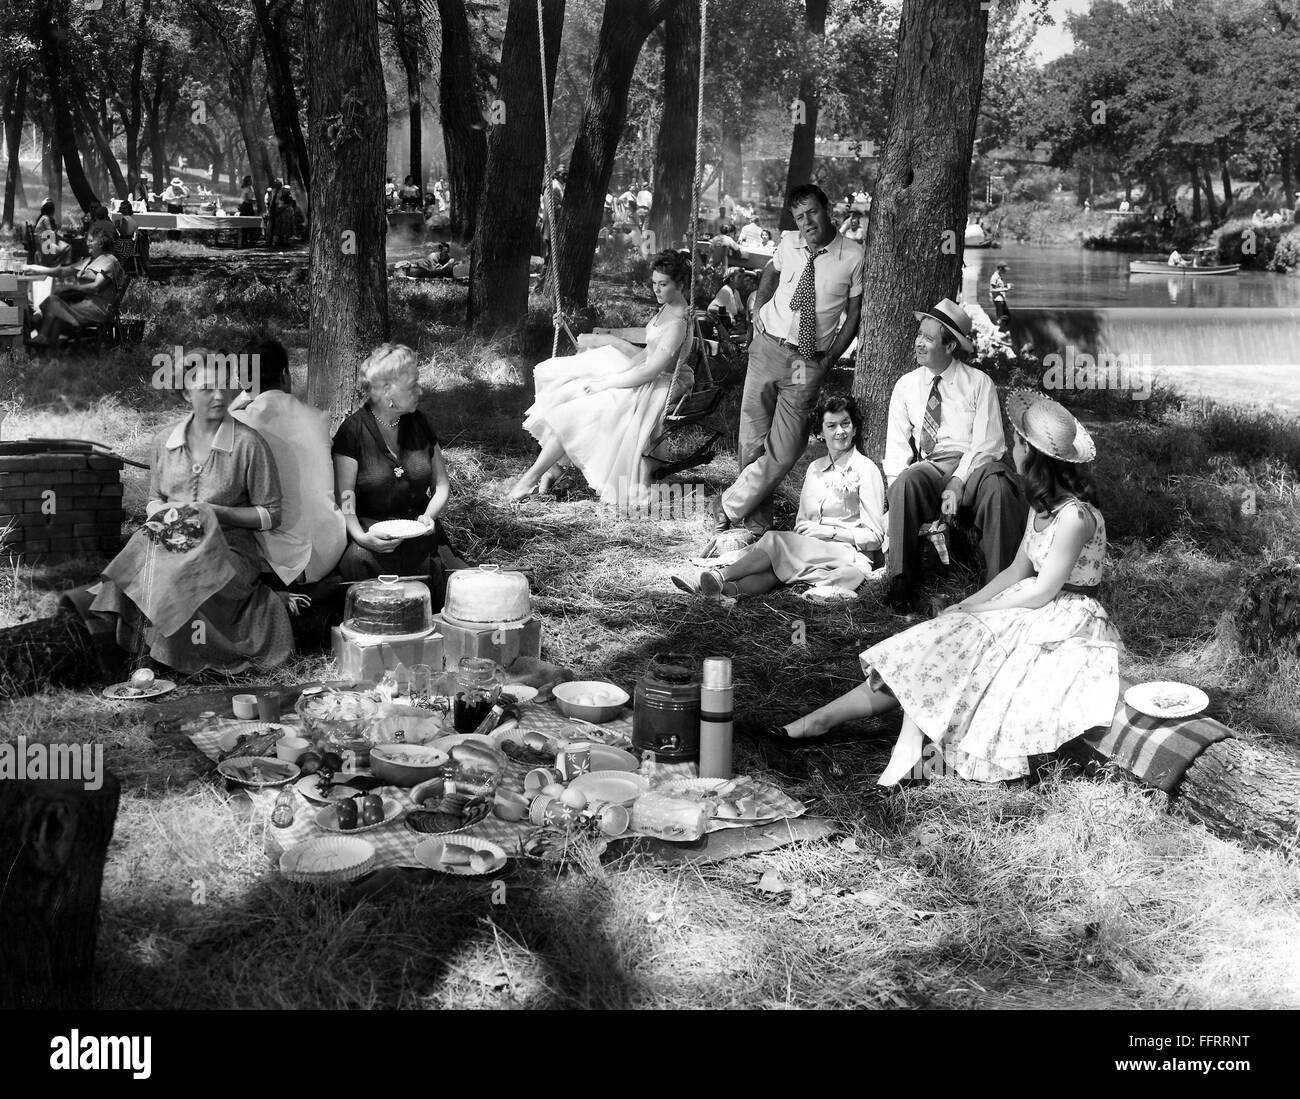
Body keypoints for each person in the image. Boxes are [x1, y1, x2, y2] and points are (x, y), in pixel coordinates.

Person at [766, 391, 1119, 789]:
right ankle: (822, 720)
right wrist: (967, 605)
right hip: (1028, 602)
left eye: (1019, 443)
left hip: (1064, 616)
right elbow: (1018, 569)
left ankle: (899, 750)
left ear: (1034, 456)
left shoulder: (1074, 515)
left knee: (954, 647)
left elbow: (1044, 590)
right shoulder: (1042, 504)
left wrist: (978, 614)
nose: (1014, 450)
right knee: (936, 637)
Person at [87, 355, 295, 674]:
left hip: (230, 553)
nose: (217, 396)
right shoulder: (164, 442)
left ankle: (156, 662)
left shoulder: (249, 444)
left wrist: (217, 513)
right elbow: (154, 500)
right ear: (186, 393)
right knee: (137, 567)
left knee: (172, 576)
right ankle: (131, 656)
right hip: (173, 540)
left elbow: (271, 515)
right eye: (206, 388)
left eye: (224, 387)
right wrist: (166, 511)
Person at [707, 183, 865, 549]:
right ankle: (757, 524)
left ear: (828, 210)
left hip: (805, 361)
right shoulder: (789, 243)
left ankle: (728, 506)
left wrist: (827, 362)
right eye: (799, 216)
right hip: (767, 348)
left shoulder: (853, 256)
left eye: (812, 212)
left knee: (788, 447)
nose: (807, 221)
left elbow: (853, 317)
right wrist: (759, 310)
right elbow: (769, 273)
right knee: (752, 440)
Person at [508, 249, 693, 506]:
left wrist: (607, 382)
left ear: (680, 285)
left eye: (663, 285)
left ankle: (531, 478)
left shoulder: (678, 323)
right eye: (654, 283)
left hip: (659, 385)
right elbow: (648, 353)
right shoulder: (668, 308)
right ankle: (549, 469)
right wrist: (617, 370)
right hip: (645, 374)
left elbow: (651, 369)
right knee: (572, 385)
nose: (656, 290)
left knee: (585, 409)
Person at [881, 298, 1028, 615]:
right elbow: (896, 449)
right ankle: (902, 583)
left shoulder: (978, 383)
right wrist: (895, 500)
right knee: (906, 482)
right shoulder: (906, 386)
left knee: (1001, 488)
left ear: (950, 347)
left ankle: (998, 588)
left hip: (973, 466)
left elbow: (988, 443)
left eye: (929, 338)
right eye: (919, 334)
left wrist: (960, 480)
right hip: (932, 467)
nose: (919, 342)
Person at [675, 393, 884, 599]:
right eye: (831, 426)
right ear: (820, 433)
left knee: (773, 540)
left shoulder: (866, 469)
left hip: (846, 553)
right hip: (810, 548)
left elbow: (874, 537)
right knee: (774, 569)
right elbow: (803, 523)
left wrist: (826, 532)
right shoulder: (814, 469)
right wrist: (804, 537)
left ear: (854, 428)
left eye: (845, 424)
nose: (840, 431)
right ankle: (725, 593)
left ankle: (719, 575)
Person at [332, 344, 462, 610]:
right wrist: (360, 535)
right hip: (372, 535)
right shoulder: (353, 431)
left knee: (461, 584)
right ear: (388, 391)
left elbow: (441, 485)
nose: (420, 390)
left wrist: (430, 516)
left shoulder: (420, 423)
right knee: (360, 563)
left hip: (420, 531)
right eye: (413, 385)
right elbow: (345, 496)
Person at [230, 338, 347, 590]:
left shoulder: (240, 422)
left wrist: (236, 403)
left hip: (285, 563)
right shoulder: (317, 418)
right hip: (331, 546)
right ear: (285, 375)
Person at [22, 229, 127, 347]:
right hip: (83, 304)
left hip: (97, 308)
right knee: (52, 306)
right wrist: (34, 267)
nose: (87, 243)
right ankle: (48, 348)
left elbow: (96, 287)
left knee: (52, 302)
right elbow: (61, 271)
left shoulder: (109, 260)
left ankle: (51, 331)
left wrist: (70, 288)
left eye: (91, 241)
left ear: (101, 243)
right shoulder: (89, 261)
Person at [707, 267, 748, 334]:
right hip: (721, 328)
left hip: (732, 326)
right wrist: (728, 313)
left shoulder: (736, 292)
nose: (742, 280)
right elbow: (710, 308)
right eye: (739, 277)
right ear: (731, 279)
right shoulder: (725, 291)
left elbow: (742, 310)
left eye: (743, 277)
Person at [33, 199, 71, 265]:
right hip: (44, 245)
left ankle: (55, 265)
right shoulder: (46, 219)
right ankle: (58, 266)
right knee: (67, 248)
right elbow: (51, 233)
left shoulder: (42, 218)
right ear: (52, 211)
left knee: (63, 247)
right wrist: (57, 230)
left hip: (42, 243)